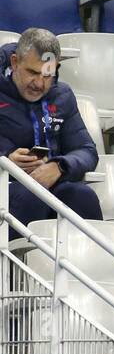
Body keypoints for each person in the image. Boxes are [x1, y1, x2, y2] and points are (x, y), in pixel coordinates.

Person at [0, 29, 102, 237]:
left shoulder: (62, 96)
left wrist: (60, 166)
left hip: (47, 184)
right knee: (30, 196)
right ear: (14, 62)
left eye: (47, 75)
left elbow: (87, 151)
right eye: (32, 72)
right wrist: (6, 159)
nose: (39, 84)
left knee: (81, 196)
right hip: (6, 186)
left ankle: (93, 265)